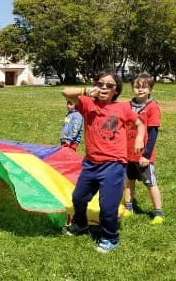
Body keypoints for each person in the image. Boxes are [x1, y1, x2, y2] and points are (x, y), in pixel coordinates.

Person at [61, 69, 146, 253]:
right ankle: (81, 223)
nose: (104, 88)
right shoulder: (87, 104)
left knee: (107, 206)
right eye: (100, 84)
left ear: (116, 90)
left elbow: (140, 124)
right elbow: (65, 92)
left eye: (109, 85)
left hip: (113, 164)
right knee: (78, 197)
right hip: (91, 164)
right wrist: (86, 91)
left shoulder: (122, 108)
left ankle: (110, 237)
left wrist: (139, 139)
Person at [123, 73, 164, 224]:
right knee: (128, 181)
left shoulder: (153, 107)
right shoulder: (127, 106)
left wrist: (146, 155)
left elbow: (153, 134)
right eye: (137, 86)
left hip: (143, 156)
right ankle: (128, 207)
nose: (140, 90)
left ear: (150, 89)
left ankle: (158, 213)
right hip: (127, 154)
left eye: (144, 87)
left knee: (150, 183)